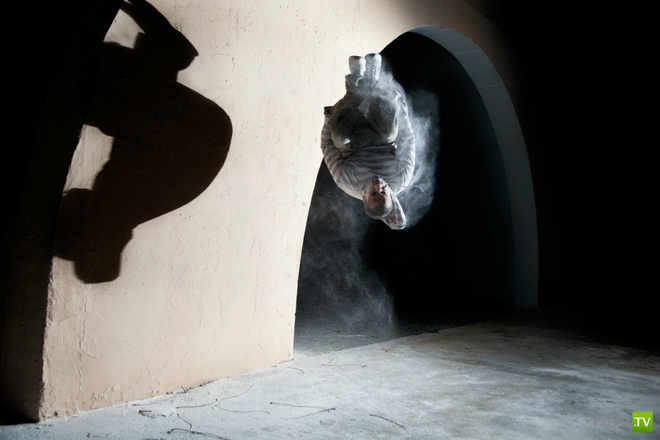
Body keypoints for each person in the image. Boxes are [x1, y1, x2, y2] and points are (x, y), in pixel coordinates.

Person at [320, 53, 415, 229]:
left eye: (373, 193)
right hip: (381, 138)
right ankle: (372, 80)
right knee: (390, 133)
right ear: (392, 196)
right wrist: (397, 105)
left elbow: (326, 145)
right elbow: (408, 140)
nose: (378, 185)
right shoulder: (401, 178)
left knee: (339, 138)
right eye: (383, 192)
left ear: (364, 197)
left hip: (353, 142)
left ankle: (355, 84)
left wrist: (329, 117)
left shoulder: (347, 182)